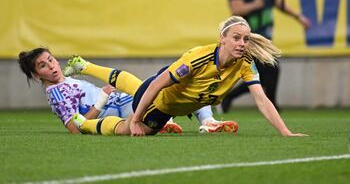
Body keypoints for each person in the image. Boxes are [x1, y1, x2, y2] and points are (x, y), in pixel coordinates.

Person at [69, 16, 307, 138]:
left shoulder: (245, 62)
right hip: (159, 101)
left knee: (145, 87)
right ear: (221, 39)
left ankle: (207, 120)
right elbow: (158, 85)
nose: (242, 43)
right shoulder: (198, 57)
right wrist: (135, 120)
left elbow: (262, 100)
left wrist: (285, 132)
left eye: (245, 39)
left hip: (183, 100)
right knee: (130, 131)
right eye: (236, 38)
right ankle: (85, 123)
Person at [18, 47, 234, 134]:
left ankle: (200, 121)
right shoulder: (56, 93)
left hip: (124, 101)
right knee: (175, 87)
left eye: (50, 59)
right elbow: (75, 127)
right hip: (117, 111)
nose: (52, 65)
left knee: (182, 85)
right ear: (37, 75)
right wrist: (102, 99)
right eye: (43, 65)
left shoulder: (67, 82)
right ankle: (201, 121)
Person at [221, 0, 310, 113]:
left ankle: (232, 97)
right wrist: (255, 4)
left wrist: (299, 17)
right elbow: (236, 9)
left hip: (266, 33)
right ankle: (272, 104)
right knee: (271, 66)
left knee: (263, 71)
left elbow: (278, 2)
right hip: (249, 35)